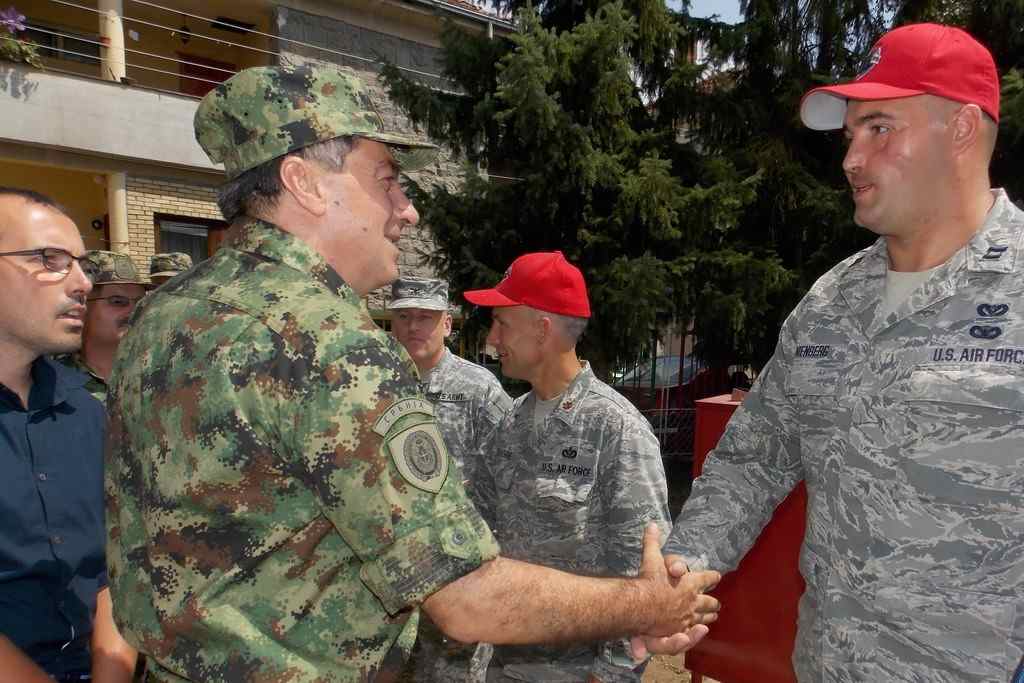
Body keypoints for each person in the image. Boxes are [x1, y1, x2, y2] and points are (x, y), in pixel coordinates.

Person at [104, 64, 720, 682]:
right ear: (305, 183)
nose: (408, 211)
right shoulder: (330, 345)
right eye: (388, 182)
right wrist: (651, 604)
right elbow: (466, 597)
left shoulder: (162, 313)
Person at [646, 23, 1024, 682]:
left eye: (880, 128)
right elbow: (754, 457)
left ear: (962, 130)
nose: (851, 159)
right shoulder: (830, 303)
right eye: (851, 134)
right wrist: (682, 566)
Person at [464, 251, 673, 683]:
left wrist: (609, 675)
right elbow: (476, 534)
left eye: (502, 322)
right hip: (504, 666)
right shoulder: (509, 424)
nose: (492, 338)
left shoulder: (615, 429)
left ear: (542, 330)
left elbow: (645, 572)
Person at [0, 188, 136, 682]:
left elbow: (110, 571)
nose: (81, 283)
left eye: (79, 264)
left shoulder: (86, 411)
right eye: (49, 259)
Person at [389, 276, 512, 683]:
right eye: (403, 316)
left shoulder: (478, 389)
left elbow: (510, 476)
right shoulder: (373, 382)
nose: (412, 326)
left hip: (458, 568)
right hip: (389, 571)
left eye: (426, 317)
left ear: (447, 324)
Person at [57, 250, 148, 403]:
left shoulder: (159, 373)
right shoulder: (51, 380)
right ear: (80, 305)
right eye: (118, 301)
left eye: (140, 303)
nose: (133, 311)